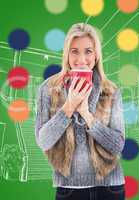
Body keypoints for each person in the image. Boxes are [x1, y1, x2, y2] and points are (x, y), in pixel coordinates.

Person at [35, 22, 126, 200]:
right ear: (67, 55)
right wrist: (69, 106)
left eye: (88, 51)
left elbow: (118, 145)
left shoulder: (111, 90)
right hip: (68, 190)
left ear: (96, 55)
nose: (81, 59)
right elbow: (43, 141)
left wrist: (86, 114)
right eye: (74, 51)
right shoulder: (47, 89)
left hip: (110, 188)